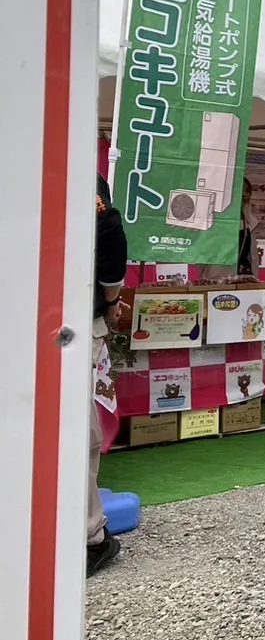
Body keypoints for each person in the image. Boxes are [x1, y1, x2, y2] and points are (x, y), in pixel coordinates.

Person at [89, 173, 128, 577]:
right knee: (76, 431)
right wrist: (111, 298)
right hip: (65, 319)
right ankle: (87, 536)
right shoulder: (69, 159)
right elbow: (110, 232)